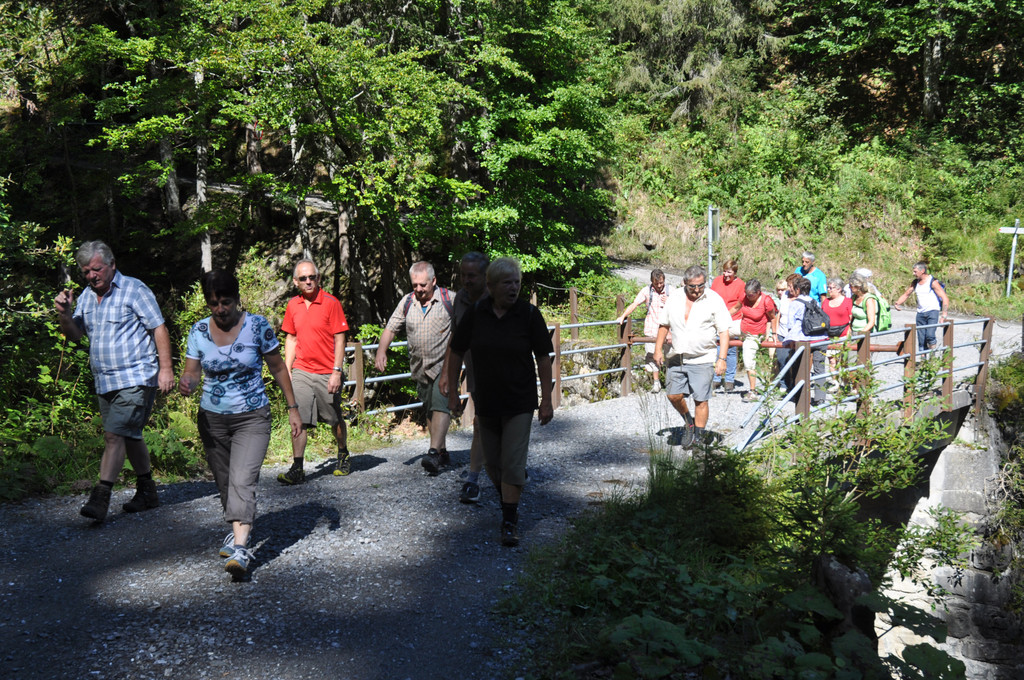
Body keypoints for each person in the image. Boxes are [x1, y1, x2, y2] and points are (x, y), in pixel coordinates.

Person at [179, 270, 302, 577]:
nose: (220, 309)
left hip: (253, 416)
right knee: (225, 482)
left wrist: (293, 408)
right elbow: (192, 372)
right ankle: (237, 531)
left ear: (237, 299)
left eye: (226, 302)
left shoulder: (257, 326)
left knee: (242, 479)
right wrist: (187, 383)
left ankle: (241, 548)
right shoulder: (198, 331)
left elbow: (278, 368)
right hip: (212, 419)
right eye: (213, 303)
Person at [54, 241, 175, 522]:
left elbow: (158, 327)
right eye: (86, 272)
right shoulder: (86, 297)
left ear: (111, 265)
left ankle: (101, 496)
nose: (91, 276)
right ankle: (147, 492)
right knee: (130, 435)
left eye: (96, 269)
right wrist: (64, 315)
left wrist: (166, 369)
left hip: (136, 376)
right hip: (105, 381)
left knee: (114, 435)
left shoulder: (134, 289)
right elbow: (75, 335)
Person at [447, 257, 554, 547]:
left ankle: (509, 520)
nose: (513, 288)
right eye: (507, 283)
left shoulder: (529, 314)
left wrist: (546, 400)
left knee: (512, 462)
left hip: (520, 401)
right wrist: (453, 391)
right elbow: (456, 350)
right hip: (487, 400)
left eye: (517, 282)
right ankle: (510, 493)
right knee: (493, 464)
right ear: (491, 286)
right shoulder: (476, 313)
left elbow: (543, 358)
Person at [277, 259, 352, 485]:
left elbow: (340, 339)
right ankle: (297, 467)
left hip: (327, 371)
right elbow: (291, 338)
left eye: (312, 277)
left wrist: (337, 371)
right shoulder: (293, 305)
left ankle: (343, 453)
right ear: (295, 282)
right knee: (297, 417)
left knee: (334, 418)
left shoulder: (331, 303)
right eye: (303, 278)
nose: (308, 281)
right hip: (301, 370)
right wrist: (287, 369)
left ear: (318, 278)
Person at [376, 261, 455, 475]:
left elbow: (466, 327)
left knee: (441, 405)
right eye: (415, 285)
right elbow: (391, 328)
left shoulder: (450, 299)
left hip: (444, 365)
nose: (419, 289)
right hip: (420, 367)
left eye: (423, 285)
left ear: (433, 281)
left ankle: (432, 452)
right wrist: (381, 351)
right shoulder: (407, 302)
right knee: (430, 409)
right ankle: (441, 451)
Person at [653, 265, 731, 446]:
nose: (697, 290)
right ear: (685, 283)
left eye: (701, 286)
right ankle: (689, 422)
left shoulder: (714, 300)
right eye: (692, 286)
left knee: (700, 399)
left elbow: (724, 331)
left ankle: (698, 438)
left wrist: (722, 359)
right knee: (673, 395)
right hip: (677, 356)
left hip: (702, 357)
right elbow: (664, 325)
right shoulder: (675, 298)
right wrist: (657, 349)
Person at [442, 252, 490, 503]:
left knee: (501, 424)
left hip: (503, 374)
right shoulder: (460, 298)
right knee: (480, 424)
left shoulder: (499, 296)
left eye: (472, 275)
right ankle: (473, 479)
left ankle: (510, 466)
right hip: (476, 372)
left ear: (485, 276)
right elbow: (455, 338)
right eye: (463, 275)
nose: (466, 280)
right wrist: (447, 376)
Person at [615, 269, 673, 393]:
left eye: (661, 283)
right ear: (652, 282)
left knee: (671, 357)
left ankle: (670, 383)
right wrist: (623, 316)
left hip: (668, 331)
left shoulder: (671, 291)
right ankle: (656, 383)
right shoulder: (646, 291)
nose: (659, 286)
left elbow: (682, 307)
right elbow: (635, 304)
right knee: (652, 356)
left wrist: (670, 301)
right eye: (656, 283)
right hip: (652, 329)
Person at [777, 276, 826, 406]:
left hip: (803, 339)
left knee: (800, 368)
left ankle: (801, 396)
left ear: (798, 289)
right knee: (819, 368)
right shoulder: (814, 301)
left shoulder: (795, 303)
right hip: (820, 337)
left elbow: (790, 324)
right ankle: (820, 398)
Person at [894, 261, 950, 352]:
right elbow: (907, 293)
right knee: (921, 339)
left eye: (915, 271)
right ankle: (923, 358)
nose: (913, 273)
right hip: (920, 313)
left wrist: (944, 315)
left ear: (922, 271)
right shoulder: (915, 282)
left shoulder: (932, 282)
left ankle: (932, 355)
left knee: (930, 335)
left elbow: (945, 298)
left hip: (932, 312)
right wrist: (898, 303)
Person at [738, 279, 778, 402]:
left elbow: (773, 318)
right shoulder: (744, 297)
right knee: (721, 329)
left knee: (748, 359)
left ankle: (752, 390)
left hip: (755, 333)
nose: (748, 297)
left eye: (751, 295)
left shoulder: (766, 301)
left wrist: (773, 333)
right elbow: (736, 308)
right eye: (747, 294)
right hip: (742, 327)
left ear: (758, 292)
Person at [710, 259, 744, 393]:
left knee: (730, 349)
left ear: (734, 273)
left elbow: (739, 304)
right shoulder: (717, 281)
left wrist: (725, 314)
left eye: (729, 272)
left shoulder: (740, 284)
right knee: (717, 348)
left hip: (732, 319)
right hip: (717, 319)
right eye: (724, 271)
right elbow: (711, 297)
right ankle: (716, 377)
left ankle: (729, 379)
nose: (726, 275)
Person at [822, 277, 853, 384]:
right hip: (829, 335)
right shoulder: (826, 302)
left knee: (843, 360)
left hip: (843, 334)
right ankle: (834, 381)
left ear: (839, 289)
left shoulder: (848, 301)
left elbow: (851, 319)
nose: (829, 290)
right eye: (828, 287)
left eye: (831, 288)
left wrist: (849, 336)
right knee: (832, 360)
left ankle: (845, 382)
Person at [849, 271, 879, 336]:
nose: (849, 287)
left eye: (851, 286)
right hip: (854, 331)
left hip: (866, 333)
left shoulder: (869, 299)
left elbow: (871, 322)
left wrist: (861, 334)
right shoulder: (854, 297)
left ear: (858, 287)